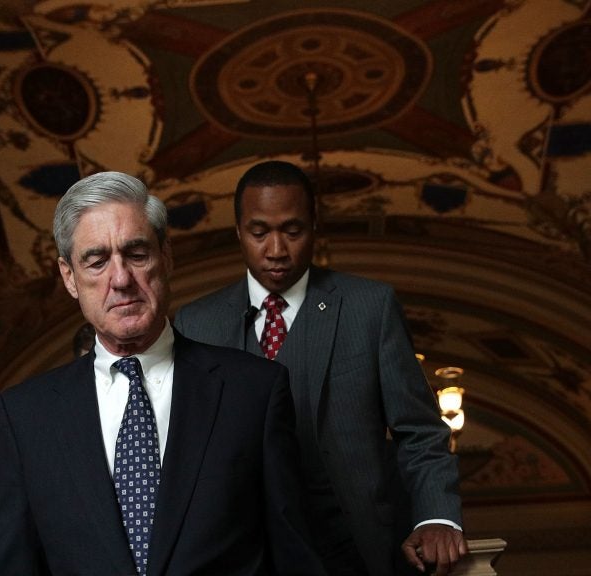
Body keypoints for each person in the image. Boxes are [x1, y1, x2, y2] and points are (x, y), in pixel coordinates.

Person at [0, 171, 328, 575]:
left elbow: (295, 558)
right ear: (69, 277)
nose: (120, 279)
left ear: (166, 257)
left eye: (136, 254)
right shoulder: (26, 415)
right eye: (97, 261)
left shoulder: (253, 391)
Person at [174, 161, 468, 576]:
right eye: (259, 233)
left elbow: (419, 431)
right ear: (238, 232)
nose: (276, 249)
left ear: (314, 227)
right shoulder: (195, 323)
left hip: (355, 549)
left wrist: (437, 517)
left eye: (293, 231)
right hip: (240, 554)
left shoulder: (370, 308)